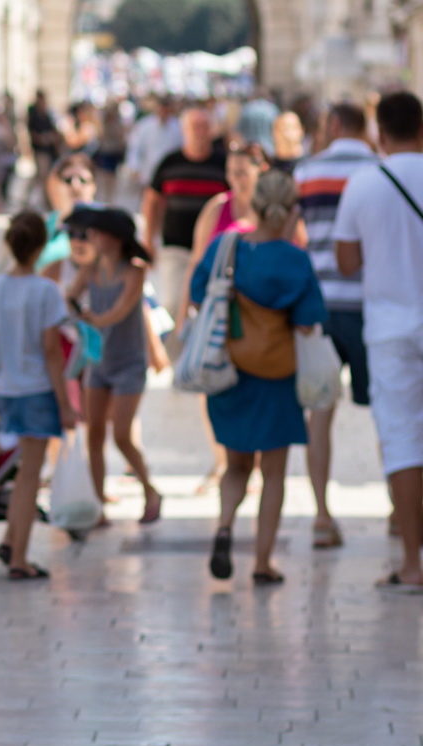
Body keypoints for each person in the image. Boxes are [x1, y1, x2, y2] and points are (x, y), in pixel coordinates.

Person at [191, 170, 327, 585]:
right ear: (291, 211)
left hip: (229, 371)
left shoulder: (225, 246)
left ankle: (225, 526)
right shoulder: (295, 259)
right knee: (273, 472)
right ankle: (263, 562)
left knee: (235, 466)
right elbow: (308, 322)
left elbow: (199, 294)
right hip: (275, 376)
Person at [334, 90, 423, 591]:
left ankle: (413, 562)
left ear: (379, 134)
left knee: (404, 441)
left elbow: (347, 262)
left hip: (390, 327)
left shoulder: (364, 185)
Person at [0, 210, 77, 579]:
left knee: (23, 474)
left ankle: (13, 540)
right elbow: (51, 350)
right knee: (30, 475)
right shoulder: (46, 291)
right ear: (42, 245)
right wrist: (65, 404)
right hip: (37, 391)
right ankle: (19, 557)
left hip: (8, 390)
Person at [294, 102, 379, 549]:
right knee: (389, 412)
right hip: (370, 305)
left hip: (321, 308)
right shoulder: (381, 170)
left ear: (332, 124)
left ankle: (322, 515)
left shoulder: (307, 172)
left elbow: (296, 235)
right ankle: (399, 513)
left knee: (319, 414)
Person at [181, 141, 271, 493]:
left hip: (260, 318)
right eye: (231, 172)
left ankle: (258, 464)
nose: (235, 179)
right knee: (213, 387)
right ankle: (223, 460)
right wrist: (186, 309)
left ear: (260, 171)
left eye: (242, 172)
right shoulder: (217, 207)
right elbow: (196, 260)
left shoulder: (271, 211)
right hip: (218, 315)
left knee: (257, 387)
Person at [65, 206, 162, 526]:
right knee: (93, 435)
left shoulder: (135, 271)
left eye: (96, 232)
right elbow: (70, 296)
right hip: (99, 362)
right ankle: (98, 505)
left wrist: (93, 319)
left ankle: (151, 490)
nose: (90, 237)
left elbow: (121, 311)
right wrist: (78, 313)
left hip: (129, 363)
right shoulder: (90, 269)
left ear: (114, 238)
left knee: (122, 435)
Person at [142, 106, 229, 330]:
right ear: (184, 130)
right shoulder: (170, 163)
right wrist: (147, 239)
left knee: (207, 306)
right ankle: (175, 357)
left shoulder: (224, 164)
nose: (200, 132)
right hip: (175, 246)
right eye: (195, 127)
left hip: (214, 249)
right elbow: (151, 201)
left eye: (204, 126)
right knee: (172, 303)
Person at [124, 95, 182, 197]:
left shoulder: (177, 127)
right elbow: (135, 147)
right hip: (148, 173)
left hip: (169, 174)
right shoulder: (144, 125)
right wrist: (134, 167)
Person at [26, 90, 63, 208]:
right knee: (41, 175)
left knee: (47, 175)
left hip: (49, 149)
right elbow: (32, 132)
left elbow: (54, 130)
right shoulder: (33, 113)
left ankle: (45, 198)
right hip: (40, 149)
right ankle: (36, 198)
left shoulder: (48, 113)